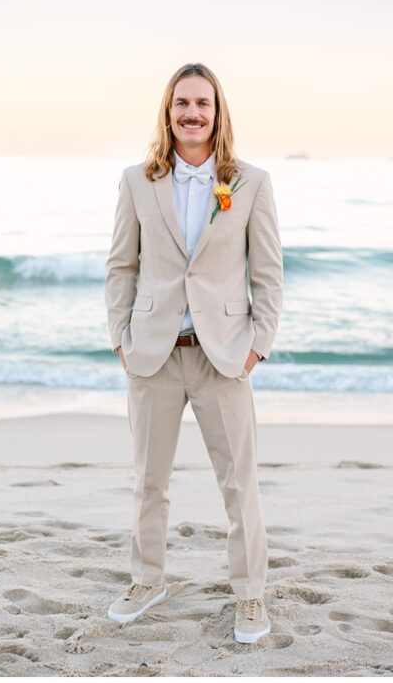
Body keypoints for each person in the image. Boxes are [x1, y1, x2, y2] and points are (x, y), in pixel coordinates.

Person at [104, 63, 284, 643]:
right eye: (182, 103)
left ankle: (251, 596)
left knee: (239, 484)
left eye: (202, 103)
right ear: (168, 111)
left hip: (224, 357)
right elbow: (121, 265)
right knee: (148, 482)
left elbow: (269, 273)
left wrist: (258, 345)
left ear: (217, 112)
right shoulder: (137, 180)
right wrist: (120, 339)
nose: (192, 113)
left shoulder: (251, 182)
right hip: (153, 354)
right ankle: (147, 580)